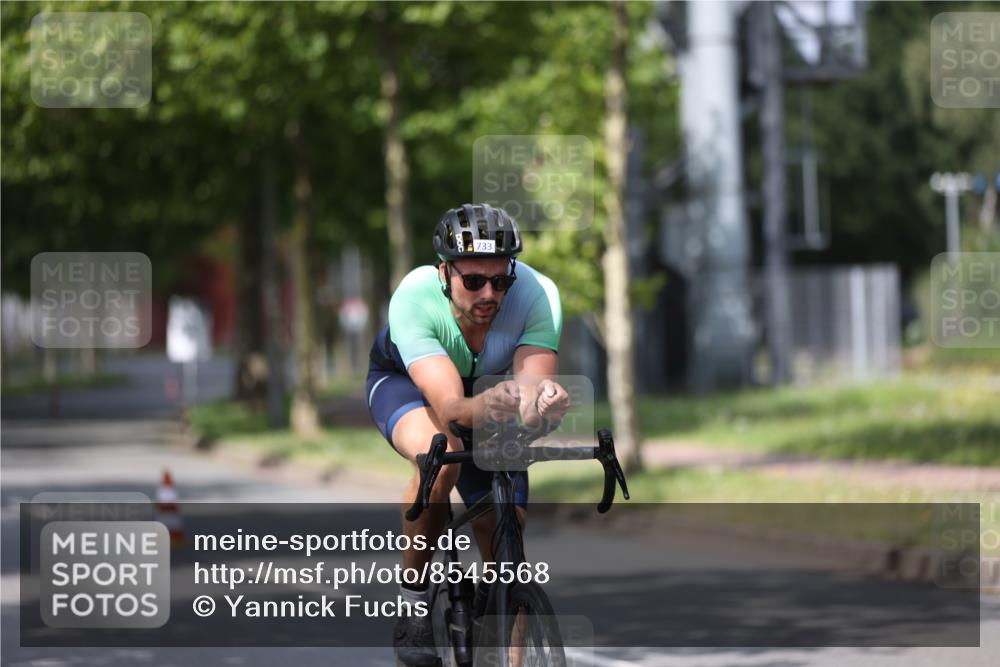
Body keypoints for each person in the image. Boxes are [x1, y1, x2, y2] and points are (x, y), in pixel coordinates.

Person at [366, 203, 571, 666]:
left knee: (507, 531)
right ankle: (413, 599)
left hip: (488, 395)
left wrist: (545, 409)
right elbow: (452, 407)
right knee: (440, 457)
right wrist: (491, 406)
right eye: (473, 281)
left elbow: (531, 406)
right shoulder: (415, 295)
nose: (488, 294)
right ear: (445, 272)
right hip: (409, 386)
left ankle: (496, 627)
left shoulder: (538, 294)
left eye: (500, 281)